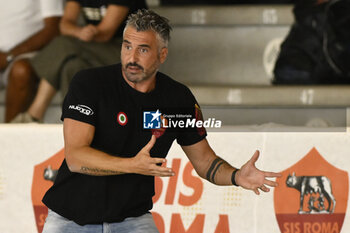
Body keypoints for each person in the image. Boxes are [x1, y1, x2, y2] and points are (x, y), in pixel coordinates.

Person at [42, 9, 282, 233]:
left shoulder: (178, 99)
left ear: (162, 54)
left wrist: (236, 176)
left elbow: (205, 161)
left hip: (132, 220)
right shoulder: (90, 84)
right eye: (127, 46)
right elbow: (76, 157)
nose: (132, 57)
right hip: (70, 221)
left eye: (143, 49)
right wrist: (132, 165)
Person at [10, 0, 147, 123]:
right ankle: (74, 122)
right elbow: (64, 25)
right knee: (72, 66)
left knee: (63, 44)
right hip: (94, 48)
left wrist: (88, 33)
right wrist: (79, 32)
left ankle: (34, 114)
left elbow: (105, 33)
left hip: (129, 51)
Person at [0, 0, 63, 122]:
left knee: (21, 70)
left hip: (27, 53)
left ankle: (9, 136)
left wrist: (9, 56)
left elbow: (53, 29)